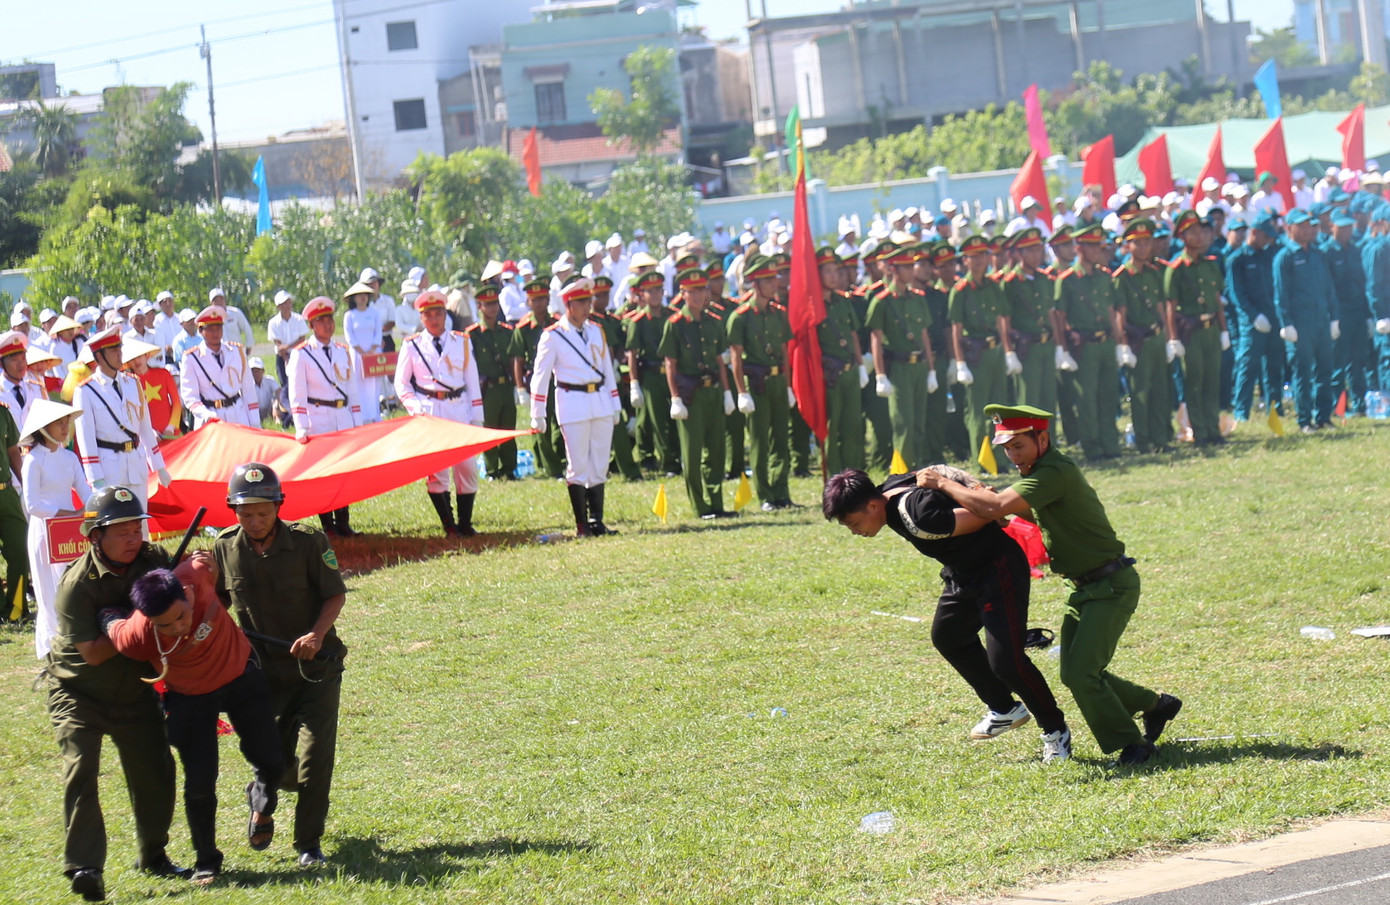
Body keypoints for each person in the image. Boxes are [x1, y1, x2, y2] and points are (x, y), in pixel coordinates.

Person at [916, 404, 1182, 766]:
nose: (1013, 455)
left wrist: (943, 483)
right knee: (1075, 673)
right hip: (1083, 587)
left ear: (1042, 439)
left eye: (1019, 446)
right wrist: (994, 503)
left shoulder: (1055, 471)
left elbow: (995, 507)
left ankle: (1134, 744)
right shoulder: (1041, 475)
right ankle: (1156, 705)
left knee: (1081, 673)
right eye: (1007, 449)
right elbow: (1021, 511)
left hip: (1110, 585)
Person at [823, 466, 1072, 763]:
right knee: (949, 636)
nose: (855, 531)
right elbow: (939, 470)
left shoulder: (918, 517)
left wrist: (985, 498)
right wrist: (974, 487)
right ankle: (1005, 709)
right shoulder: (891, 487)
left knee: (1007, 663)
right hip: (962, 572)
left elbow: (987, 514)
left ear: (873, 506)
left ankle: (1055, 730)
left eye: (854, 523)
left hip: (997, 569)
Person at [45, 486, 190, 902]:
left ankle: (154, 854)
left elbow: (178, 602)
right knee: (80, 769)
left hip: (134, 690)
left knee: (155, 771)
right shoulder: (77, 584)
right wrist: (138, 621)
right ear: (96, 536)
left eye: (136, 529)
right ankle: (85, 867)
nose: (133, 538)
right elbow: (92, 654)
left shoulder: (152, 560)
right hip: (78, 691)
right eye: (121, 531)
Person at [101, 560, 284, 887]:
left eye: (181, 616)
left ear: (187, 594)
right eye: (165, 624)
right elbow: (110, 622)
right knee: (200, 783)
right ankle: (206, 861)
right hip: (190, 697)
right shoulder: (137, 636)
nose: (177, 627)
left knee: (272, 760)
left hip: (239, 672)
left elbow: (207, 564)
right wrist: (111, 613)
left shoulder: (196, 575)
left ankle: (262, 801)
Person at [215, 462, 348, 869]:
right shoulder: (225, 547)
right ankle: (262, 801)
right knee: (272, 760)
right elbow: (217, 603)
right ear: (234, 511)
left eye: (263, 513)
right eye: (246, 514)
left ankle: (309, 843)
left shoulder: (308, 541)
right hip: (261, 676)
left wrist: (317, 635)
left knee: (315, 760)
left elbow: (334, 594)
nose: (255, 521)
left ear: (278, 507)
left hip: (316, 671)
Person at [529, 278, 622, 536]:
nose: (587, 306)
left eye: (588, 301)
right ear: (568, 304)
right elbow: (540, 376)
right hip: (572, 403)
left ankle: (596, 521)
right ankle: (582, 525)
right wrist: (537, 413)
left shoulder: (596, 331)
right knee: (578, 465)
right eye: (581, 302)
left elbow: (607, 370)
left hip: (599, 401)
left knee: (600, 464)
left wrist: (615, 403)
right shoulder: (553, 336)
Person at [395, 289, 485, 536]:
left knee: (467, 467)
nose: (434, 319)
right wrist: (415, 407)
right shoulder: (412, 345)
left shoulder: (461, 341)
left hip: (459, 408)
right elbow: (401, 383)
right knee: (437, 471)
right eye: (428, 315)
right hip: (430, 410)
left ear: (445, 314)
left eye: (438, 314)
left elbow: (472, 380)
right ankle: (449, 525)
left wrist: (477, 417)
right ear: (421, 318)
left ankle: (465, 523)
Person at [659, 268, 733, 519]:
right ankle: (700, 506)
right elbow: (671, 364)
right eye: (693, 291)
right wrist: (675, 398)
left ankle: (717, 502)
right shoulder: (675, 325)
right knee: (692, 453)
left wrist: (727, 392)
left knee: (716, 450)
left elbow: (720, 360)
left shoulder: (713, 321)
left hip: (713, 391)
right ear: (683, 293)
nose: (700, 295)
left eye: (702, 290)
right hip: (690, 395)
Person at [74, 327, 172, 515]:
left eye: (119, 348)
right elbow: (86, 439)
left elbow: (145, 428)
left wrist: (158, 465)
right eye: (113, 350)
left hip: (136, 463)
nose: (120, 354)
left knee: (140, 521)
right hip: (109, 468)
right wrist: (95, 478)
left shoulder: (133, 382)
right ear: (99, 356)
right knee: (117, 522)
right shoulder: (86, 391)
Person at [22, 399, 90, 657]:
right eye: (59, 423)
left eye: (66, 422)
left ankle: (74, 639)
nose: (65, 428)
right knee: (48, 588)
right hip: (44, 531)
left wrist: (94, 507)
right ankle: (54, 647)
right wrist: (66, 514)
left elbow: (85, 492)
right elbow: (33, 504)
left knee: (71, 584)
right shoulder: (33, 460)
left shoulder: (69, 457)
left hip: (70, 532)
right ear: (44, 428)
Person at [288, 297, 361, 536]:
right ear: (311, 325)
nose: (327, 325)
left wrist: (357, 423)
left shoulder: (342, 351)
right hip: (318, 418)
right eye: (321, 321)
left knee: (343, 472)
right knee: (324, 473)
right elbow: (297, 394)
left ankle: (343, 522)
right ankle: (328, 524)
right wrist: (301, 426)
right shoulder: (302, 354)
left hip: (342, 417)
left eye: (330, 319)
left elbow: (352, 390)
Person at [727, 255, 795, 509]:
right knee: (760, 441)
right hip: (757, 384)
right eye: (767, 281)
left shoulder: (779, 313)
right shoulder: (741, 317)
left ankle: (781, 492)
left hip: (778, 381)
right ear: (755, 284)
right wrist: (741, 392)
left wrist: (788, 385)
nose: (773, 284)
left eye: (773, 279)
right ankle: (766, 495)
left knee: (781, 438)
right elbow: (736, 357)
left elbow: (785, 352)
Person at [1053, 223, 1122, 460]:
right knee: (1087, 399)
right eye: (1092, 246)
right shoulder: (1067, 280)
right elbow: (1060, 317)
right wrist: (1062, 350)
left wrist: (1119, 343)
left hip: (1106, 342)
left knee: (1108, 394)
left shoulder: (1104, 276)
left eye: (1098, 246)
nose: (1097, 251)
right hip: (1084, 346)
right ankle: (1092, 446)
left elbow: (1111, 311)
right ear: (1079, 248)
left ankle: (1110, 443)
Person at [1165, 211, 1229, 446]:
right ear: (1182, 236)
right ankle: (1200, 432)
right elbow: (1170, 307)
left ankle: (1214, 429)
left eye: (1201, 231)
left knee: (1212, 381)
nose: (1199, 236)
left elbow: (1217, 299)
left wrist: (1224, 330)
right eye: (1192, 232)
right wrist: (1173, 338)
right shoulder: (1176, 268)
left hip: (1211, 328)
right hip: (1191, 333)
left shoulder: (1210, 264)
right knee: (1195, 382)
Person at [1110, 219, 1173, 452]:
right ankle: (1144, 441)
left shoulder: (1153, 273)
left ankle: (1160, 439)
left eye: (1147, 242)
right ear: (1128, 246)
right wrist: (1123, 345)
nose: (1145, 247)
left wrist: (1168, 338)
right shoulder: (1122, 276)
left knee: (1160, 390)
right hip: (1138, 341)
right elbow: (1120, 315)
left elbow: (1160, 308)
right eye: (1139, 243)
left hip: (1156, 337)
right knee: (1141, 393)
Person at [949, 236, 1013, 461]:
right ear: (965, 260)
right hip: (975, 356)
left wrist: (1008, 351)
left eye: (983, 255)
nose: (978, 261)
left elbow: (1001, 321)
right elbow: (956, 330)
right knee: (978, 409)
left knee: (999, 409)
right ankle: (983, 458)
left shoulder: (994, 286)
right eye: (973, 257)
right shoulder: (960, 290)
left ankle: (1000, 456)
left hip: (995, 351)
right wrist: (960, 363)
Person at [1273, 209, 1337, 431]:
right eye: (1301, 225)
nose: (1307, 229)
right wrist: (1286, 323)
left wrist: (1334, 317)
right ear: (1289, 228)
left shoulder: (1318, 254)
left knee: (1325, 370)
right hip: (1300, 324)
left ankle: (1324, 417)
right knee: (1303, 373)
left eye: (1309, 225)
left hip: (1321, 320)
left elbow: (1329, 288)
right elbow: (1280, 294)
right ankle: (1304, 419)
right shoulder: (1285, 257)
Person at [1226, 213, 1283, 423]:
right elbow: (1236, 295)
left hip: (1272, 318)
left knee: (1274, 367)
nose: (1267, 241)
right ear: (1255, 233)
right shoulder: (1237, 259)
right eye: (1265, 236)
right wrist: (1254, 316)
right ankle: (1241, 411)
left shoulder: (1267, 256)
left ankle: (1275, 409)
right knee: (1248, 367)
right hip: (1252, 323)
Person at [815, 246, 867, 474]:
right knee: (832, 426)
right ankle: (835, 476)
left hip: (850, 370)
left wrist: (861, 365)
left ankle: (852, 474)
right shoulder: (814, 307)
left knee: (853, 424)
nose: (833, 276)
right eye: (827, 271)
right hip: (830, 376)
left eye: (836, 271)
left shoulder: (843, 301)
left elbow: (853, 335)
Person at [510, 278, 565, 479]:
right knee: (541, 423)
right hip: (536, 380)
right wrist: (520, 389)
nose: (538, 303)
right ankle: (551, 467)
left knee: (560, 420)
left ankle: (560, 457)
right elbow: (517, 359)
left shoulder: (558, 323)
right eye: (534, 299)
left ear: (548, 299)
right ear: (528, 301)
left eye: (542, 298)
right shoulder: (523, 327)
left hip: (558, 379)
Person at [624, 270, 679, 475]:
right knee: (658, 420)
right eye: (650, 291)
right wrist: (634, 384)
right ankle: (667, 462)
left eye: (658, 290)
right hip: (652, 375)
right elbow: (632, 354)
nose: (655, 295)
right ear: (642, 294)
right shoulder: (638, 321)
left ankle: (678, 455)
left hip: (672, 373)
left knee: (675, 417)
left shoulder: (672, 316)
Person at [465, 287, 518, 480]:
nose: (492, 308)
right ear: (480, 306)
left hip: (506, 387)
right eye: (487, 304)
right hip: (487, 390)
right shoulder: (473, 334)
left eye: (495, 303)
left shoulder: (507, 332)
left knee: (508, 429)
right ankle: (492, 470)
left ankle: (509, 469)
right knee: (489, 429)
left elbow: (513, 359)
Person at [179, 307, 260, 429]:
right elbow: (190, 397)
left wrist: (255, 422)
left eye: (218, 328)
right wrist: (205, 414)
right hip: (211, 417)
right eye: (210, 329)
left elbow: (249, 390)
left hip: (238, 414)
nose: (215, 333)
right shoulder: (191, 358)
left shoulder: (237, 351)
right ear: (200, 331)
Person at [342, 281, 384, 424]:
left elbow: (378, 333)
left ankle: (375, 414)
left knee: (374, 384)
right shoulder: (349, 315)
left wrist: (372, 350)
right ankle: (362, 416)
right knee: (358, 383)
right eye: (359, 295)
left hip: (373, 353)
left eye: (365, 294)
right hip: (357, 355)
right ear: (353, 298)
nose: (362, 297)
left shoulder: (374, 313)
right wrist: (361, 352)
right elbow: (349, 336)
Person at [125, 340, 182, 441]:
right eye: (132, 359)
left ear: (146, 356)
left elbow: (177, 402)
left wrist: (171, 426)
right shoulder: (127, 382)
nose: (136, 361)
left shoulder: (163, 374)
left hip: (172, 433)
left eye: (139, 357)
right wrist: (149, 432)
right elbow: (131, 413)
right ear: (128, 363)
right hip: (147, 439)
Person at [267, 290, 308, 392]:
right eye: (284, 303)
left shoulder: (299, 319)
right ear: (279, 306)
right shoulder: (273, 323)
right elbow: (279, 345)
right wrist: (286, 359)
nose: (288, 306)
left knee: (301, 383)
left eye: (289, 302)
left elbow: (302, 339)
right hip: (282, 357)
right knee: (285, 384)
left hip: (299, 354)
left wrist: (288, 347)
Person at [249, 357, 282, 427]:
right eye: (253, 371)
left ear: (263, 371)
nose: (256, 373)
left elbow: (279, 391)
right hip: (253, 412)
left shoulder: (269, 380)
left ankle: (278, 423)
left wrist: (276, 404)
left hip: (269, 411)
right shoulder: (247, 385)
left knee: (276, 403)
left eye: (258, 371)